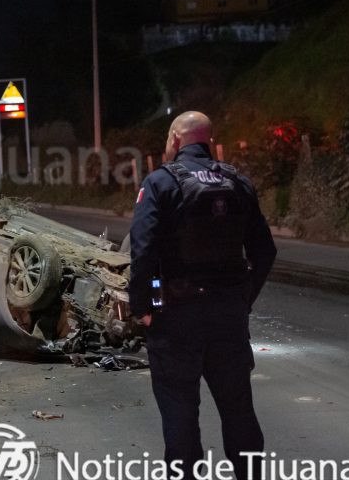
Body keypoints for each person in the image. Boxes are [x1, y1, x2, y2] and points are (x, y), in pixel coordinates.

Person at [128, 111, 277, 480]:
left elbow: (142, 251)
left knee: (180, 409)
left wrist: (141, 308)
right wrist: (243, 299)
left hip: (177, 318)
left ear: (176, 139)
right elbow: (265, 251)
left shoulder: (160, 182)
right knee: (238, 409)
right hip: (228, 316)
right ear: (208, 140)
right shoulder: (238, 181)